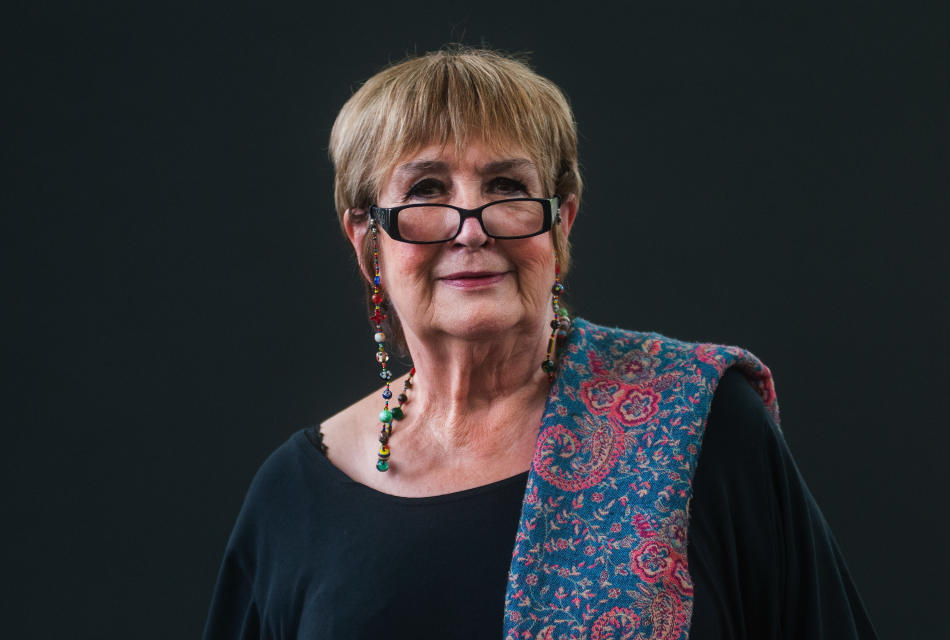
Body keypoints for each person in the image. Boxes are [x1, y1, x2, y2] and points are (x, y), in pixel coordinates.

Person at [204, 46, 876, 639]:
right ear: (367, 240)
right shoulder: (293, 498)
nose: (472, 229)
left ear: (561, 223)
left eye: (506, 187)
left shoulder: (701, 426)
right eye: (427, 189)